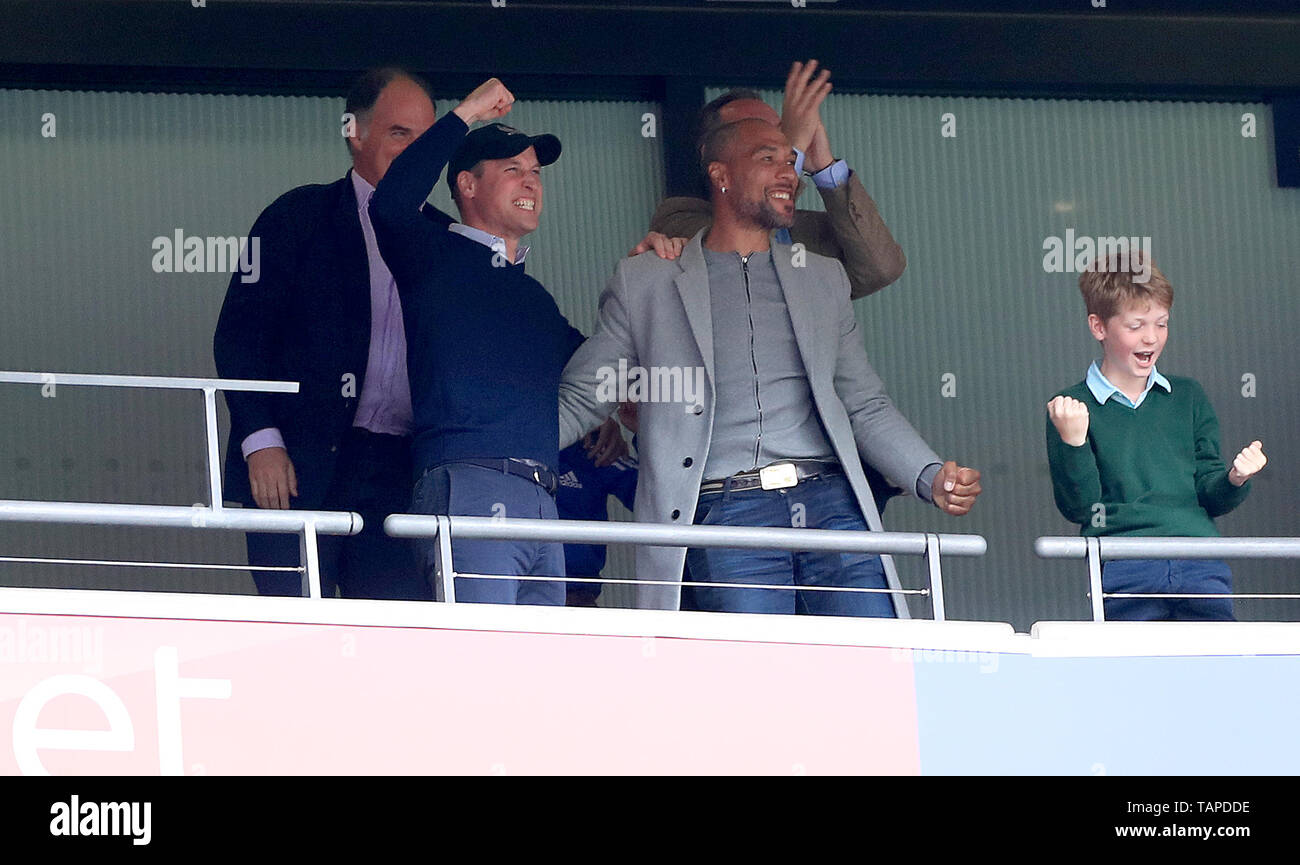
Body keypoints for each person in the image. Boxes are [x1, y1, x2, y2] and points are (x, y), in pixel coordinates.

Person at [557, 117, 982, 617]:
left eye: (790, 161)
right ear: (721, 175)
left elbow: (865, 404)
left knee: (872, 669)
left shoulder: (823, 279)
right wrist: (498, 456)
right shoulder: (647, 279)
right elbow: (586, 395)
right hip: (726, 514)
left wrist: (929, 474)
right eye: (767, 159)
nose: (788, 172)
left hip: (832, 507)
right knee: (759, 684)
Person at [213, 67, 442, 600]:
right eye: (398, 133)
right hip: (297, 460)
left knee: (394, 641)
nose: (414, 151)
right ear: (354, 132)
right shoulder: (298, 216)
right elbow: (240, 337)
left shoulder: (443, 236)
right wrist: (260, 442)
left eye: (426, 138)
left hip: (399, 471)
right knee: (295, 639)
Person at [369, 78, 598, 605]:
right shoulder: (435, 254)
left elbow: (597, 367)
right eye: (512, 169)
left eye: (536, 173)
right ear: (467, 186)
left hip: (543, 495)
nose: (531, 182)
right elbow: (390, 204)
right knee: (482, 668)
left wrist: (649, 267)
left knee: (536, 677)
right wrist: (466, 113)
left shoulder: (537, 300)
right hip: (469, 485)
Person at [1046, 252, 1267, 621]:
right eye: (1136, 325)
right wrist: (1074, 443)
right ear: (1098, 326)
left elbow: (1211, 497)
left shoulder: (1188, 396)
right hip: (1123, 561)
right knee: (1134, 672)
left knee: (1215, 668)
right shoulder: (1070, 406)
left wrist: (1235, 478)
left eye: (1161, 323)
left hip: (1199, 559)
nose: (1151, 337)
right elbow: (1081, 509)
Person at [646, 60, 906, 302]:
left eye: (780, 131)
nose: (776, 141)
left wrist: (826, 168)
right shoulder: (678, 217)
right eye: (755, 132)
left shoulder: (805, 229)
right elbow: (735, 263)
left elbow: (881, 268)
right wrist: (793, 149)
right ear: (711, 154)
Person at [556, 423, 639, 607]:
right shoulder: (497, 438)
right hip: (507, 590)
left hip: (576, 597)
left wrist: (644, 432)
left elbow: (657, 498)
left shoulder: (588, 444)